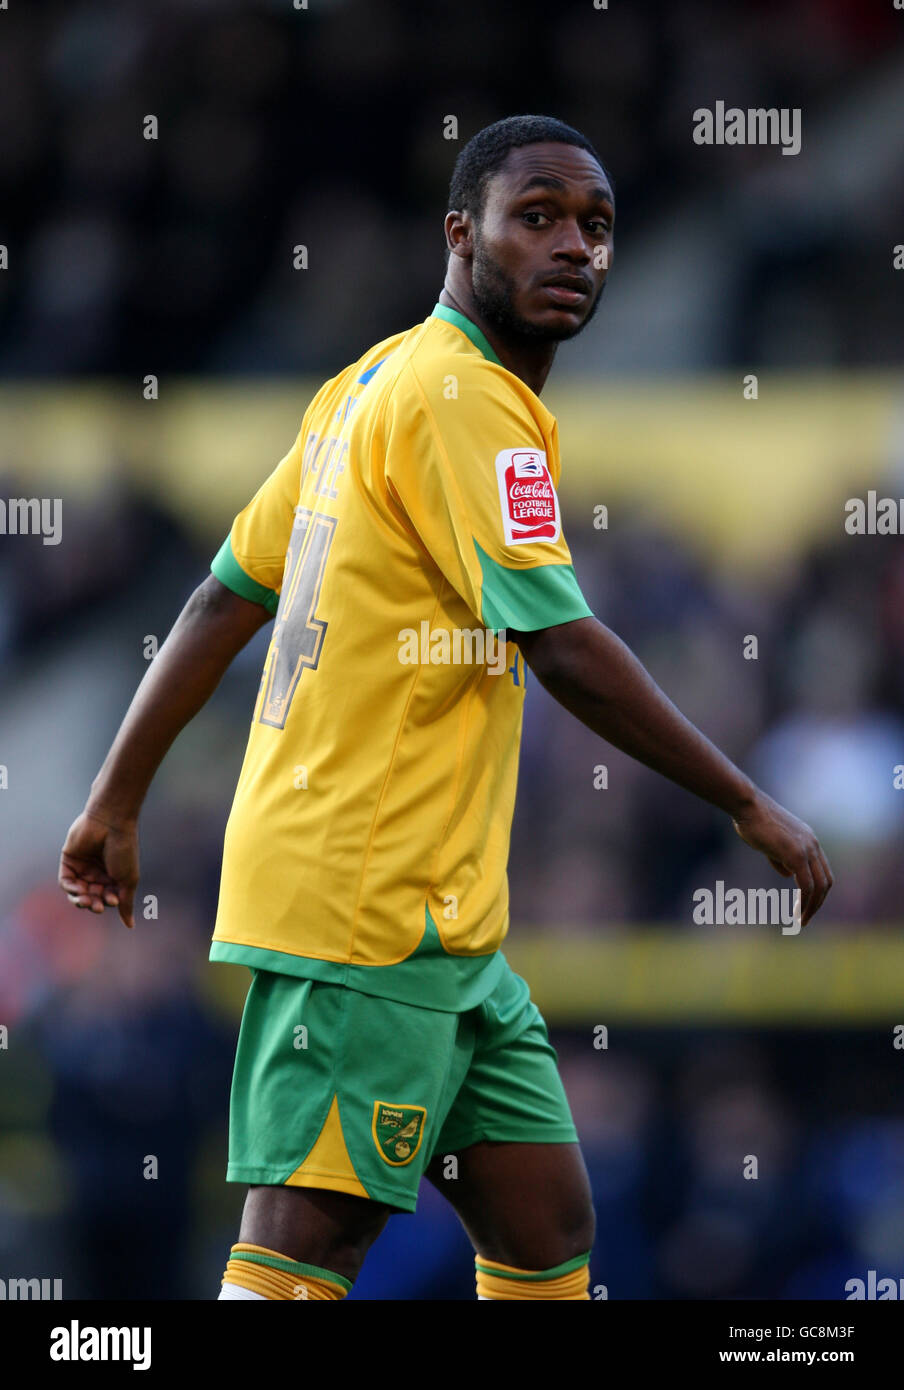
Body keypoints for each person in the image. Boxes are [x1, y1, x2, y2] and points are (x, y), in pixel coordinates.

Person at [58, 114, 832, 1302]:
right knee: (305, 1243)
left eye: (596, 227)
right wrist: (747, 801)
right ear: (460, 235)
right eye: (538, 218)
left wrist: (115, 797)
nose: (574, 246)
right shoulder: (463, 396)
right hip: (364, 904)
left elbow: (223, 599)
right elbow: (565, 646)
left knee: (544, 1229)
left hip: (446, 928)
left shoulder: (367, 383)